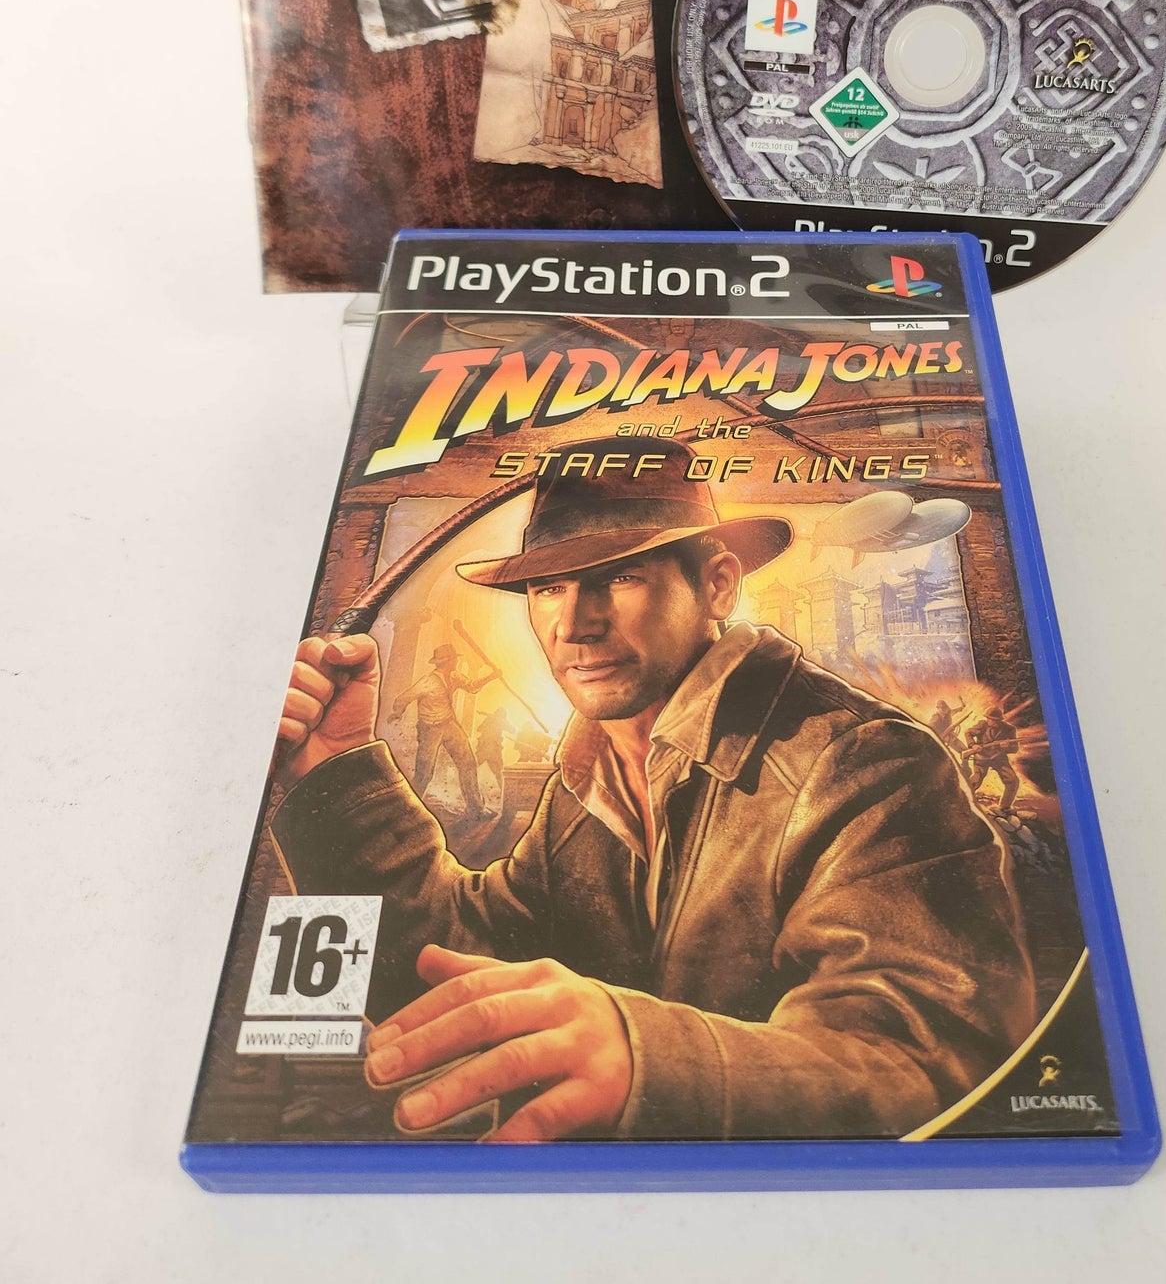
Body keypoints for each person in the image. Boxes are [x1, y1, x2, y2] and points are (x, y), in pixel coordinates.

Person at [273, 438, 1033, 1144]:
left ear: (718, 584)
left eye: (620, 576)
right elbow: (455, 967)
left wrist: (651, 1059)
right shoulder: (590, 779)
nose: (574, 624)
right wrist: (337, 776)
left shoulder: (865, 763)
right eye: (547, 587)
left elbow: (931, 1063)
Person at [388, 641, 494, 820]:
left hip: (448, 724)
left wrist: (491, 677)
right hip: (430, 729)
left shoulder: (453, 676)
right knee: (424, 773)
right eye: (454, 659)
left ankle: (476, 809)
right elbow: (404, 698)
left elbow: (472, 686)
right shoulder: (428, 681)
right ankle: (406, 812)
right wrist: (398, 712)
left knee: (467, 762)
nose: (456, 661)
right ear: (447, 661)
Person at [963, 706, 1022, 818]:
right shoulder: (982, 725)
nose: (989, 721)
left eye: (992, 719)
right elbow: (968, 732)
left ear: (999, 720)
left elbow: (1015, 749)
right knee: (976, 779)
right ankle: (962, 800)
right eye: (988, 718)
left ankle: (1004, 808)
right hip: (981, 757)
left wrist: (1007, 747)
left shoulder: (1010, 729)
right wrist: (973, 745)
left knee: (1013, 780)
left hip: (999, 758)